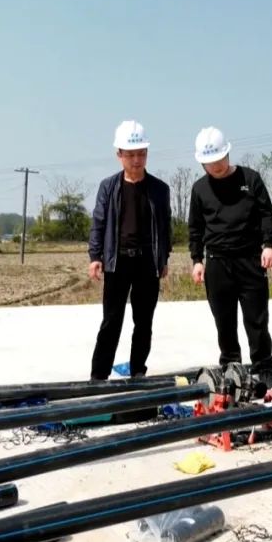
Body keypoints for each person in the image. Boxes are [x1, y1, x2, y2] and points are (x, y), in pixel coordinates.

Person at [188, 126, 272, 389]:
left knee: (257, 319)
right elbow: (195, 228)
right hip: (217, 262)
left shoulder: (250, 179)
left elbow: (266, 213)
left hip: (250, 259)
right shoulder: (199, 189)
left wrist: (269, 245)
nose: (215, 166)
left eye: (219, 159)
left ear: (227, 153)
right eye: (209, 163)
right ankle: (231, 368)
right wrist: (197, 260)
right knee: (224, 320)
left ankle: (264, 368)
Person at [87, 120, 173, 380]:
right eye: (131, 155)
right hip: (118, 261)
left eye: (141, 154)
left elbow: (165, 226)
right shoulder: (108, 187)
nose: (137, 160)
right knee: (111, 321)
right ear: (119, 155)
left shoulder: (160, 189)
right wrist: (95, 256)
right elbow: (99, 222)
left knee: (144, 322)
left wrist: (164, 258)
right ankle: (98, 376)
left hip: (147, 262)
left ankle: (138, 371)